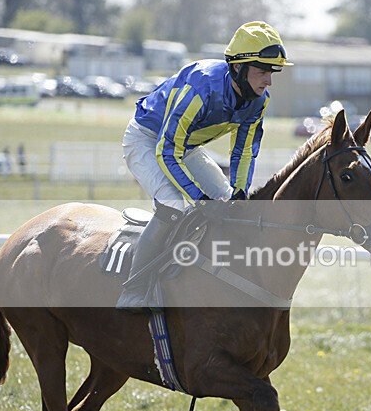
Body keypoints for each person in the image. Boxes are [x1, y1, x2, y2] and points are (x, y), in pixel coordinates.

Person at [117, 21, 291, 311]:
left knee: (232, 208)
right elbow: (167, 150)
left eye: (271, 72)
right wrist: (199, 199)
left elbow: (244, 151)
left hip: (183, 147)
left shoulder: (258, 102)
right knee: (174, 207)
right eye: (262, 72)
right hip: (146, 140)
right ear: (238, 68)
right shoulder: (202, 87)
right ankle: (134, 287)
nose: (268, 81)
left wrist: (239, 192)